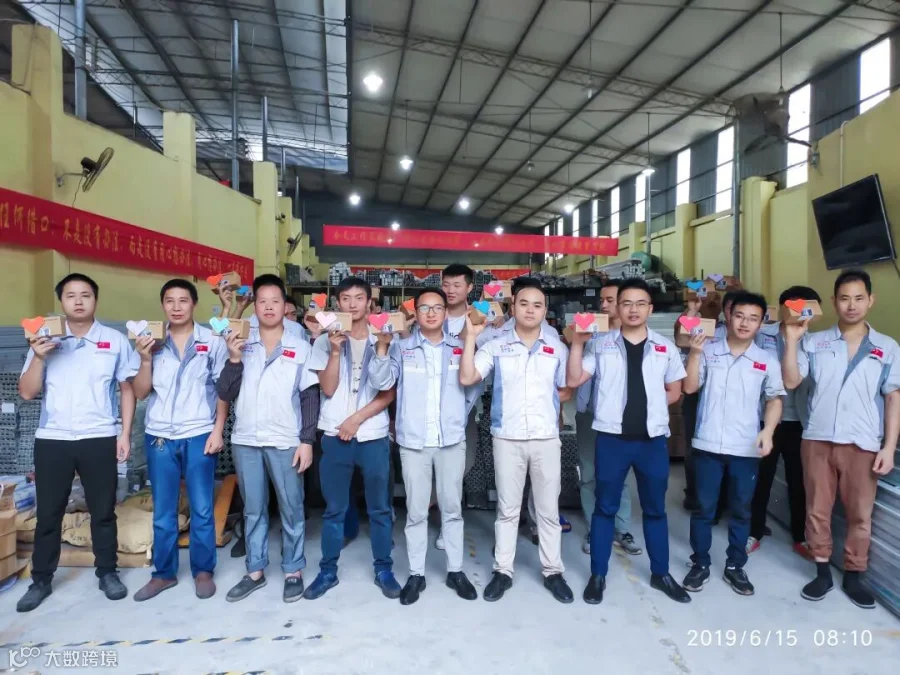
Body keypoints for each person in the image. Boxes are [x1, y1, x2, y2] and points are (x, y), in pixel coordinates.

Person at [16, 273, 138, 613]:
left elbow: (127, 388)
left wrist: (124, 434)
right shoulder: (44, 339)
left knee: (103, 511)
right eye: (71, 295)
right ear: (62, 302)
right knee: (49, 514)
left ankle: (108, 573)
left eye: (86, 294)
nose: (79, 301)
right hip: (53, 439)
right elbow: (26, 392)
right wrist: (38, 356)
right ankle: (41, 580)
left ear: (95, 300)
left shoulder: (114, 341)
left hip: (99, 436)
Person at [567, 278, 690, 605]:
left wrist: (650, 408)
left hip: (651, 442)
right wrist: (577, 344)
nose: (633, 309)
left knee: (655, 509)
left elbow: (675, 390)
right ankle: (598, 575)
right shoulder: (601, 345)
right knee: (605, 508)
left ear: (650, 308)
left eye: (640, 303)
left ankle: (661, 573)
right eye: (627, 303)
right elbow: (574, 379)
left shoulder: (665, 347)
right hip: (612, 440)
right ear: (617, 308)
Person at [783, 270, 898, 609]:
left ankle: (853, 575)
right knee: (817, 510)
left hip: (863, 444)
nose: (851, 305)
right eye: (844, 298)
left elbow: (893, 398)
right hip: (818, 439)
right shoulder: (814, 342)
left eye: (859, 298)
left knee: (860, 514)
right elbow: (791, 381)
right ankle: (822, 572)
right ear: (834, 302)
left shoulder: (887, 347)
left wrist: (889, 447)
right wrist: (792, 340)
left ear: (870, 300)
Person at [459, 282, 575, 604]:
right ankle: (503, 571)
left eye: (537, 305)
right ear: (513, 308)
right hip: (507, 438)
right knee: (507, 510)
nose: (530, 310)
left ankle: (553, 571)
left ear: (544, 310)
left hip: (545, 438)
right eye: (524, 304)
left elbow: (565, 389)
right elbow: (467, 378)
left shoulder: (557, 348)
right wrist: (470, 337)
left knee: (548, 510)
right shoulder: (496, 346)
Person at [370, 288, 480, 605]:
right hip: (414, 442)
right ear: (414, 313)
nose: (431, 313)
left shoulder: (459, 347)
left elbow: (472, 387)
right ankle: (416, 574)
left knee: (452, 509)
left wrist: (457, 417)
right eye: (424, 308)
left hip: (450, 441)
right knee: (416, 511)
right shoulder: (401, 347)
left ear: (446, 312)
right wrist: (382, 346)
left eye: (437, 307)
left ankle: (455, 570)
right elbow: (381, 383)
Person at [215, 274, 320, 603]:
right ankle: (255, 571)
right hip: (246, 439)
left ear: (285, 305)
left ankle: (293, 570)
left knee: (292, 507)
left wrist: (307, 441)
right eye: (262, 301)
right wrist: (234, 359)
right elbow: (225, 392)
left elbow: (309, 396)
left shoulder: (300, 347)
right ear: (254, 306)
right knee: (254, 509)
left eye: (276, 301)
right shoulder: (240, 342)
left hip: (286, 439)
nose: (269, 307)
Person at [131, 279, 229, 602]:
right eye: (169, 301)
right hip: (160, 435)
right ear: (162, 305)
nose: (176, 307)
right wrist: (145, 359)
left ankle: (203, 571)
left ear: (194, 304)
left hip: (199, 432)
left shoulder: (211, 341)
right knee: (163, 510)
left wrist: (218, 430)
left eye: (183, 300)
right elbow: (141, 392)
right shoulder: (151, 341)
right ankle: (164, 573)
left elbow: (223, 390)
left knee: (202, 507)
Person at [681, 291, 784, 596]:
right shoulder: (708, 350)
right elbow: (690, 387)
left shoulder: (766, 360)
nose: (745, 323)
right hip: (708, 444)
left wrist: (768, 431)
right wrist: (695, 353)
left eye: (753, 318)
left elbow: (774, 399)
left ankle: (735, 565)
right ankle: (700, 563)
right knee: (704, 509)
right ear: (728, 316)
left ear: (761, 323)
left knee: (741, 510)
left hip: (745, 448)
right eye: (739, 316)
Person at [304, 277, 400, 600]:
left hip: (372, 436)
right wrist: (334, 351)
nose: (353, 304)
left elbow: (387, 392)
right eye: (346, 298)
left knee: (380, 509)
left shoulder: (384, 337)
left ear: (370, 302)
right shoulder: (324, 341)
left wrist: (356, 420)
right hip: (335, 435)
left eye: (359, 298)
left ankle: (384, 569)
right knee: (334, 509)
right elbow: (328, 388)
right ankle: (327, 572)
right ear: (337, 303)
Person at [747, 286, 820, 560]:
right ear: (781, 308)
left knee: (798, 480)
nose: (798, 312)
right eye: (793, 306)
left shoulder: (811, 343)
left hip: (797, 420)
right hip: (763, 419)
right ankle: (753, 531)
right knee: (760, 478)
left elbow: (795, 381)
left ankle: (800, 537)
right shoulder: (761, 334)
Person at [575, 279, 642, 557]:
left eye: (610, 300)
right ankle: (595, 528)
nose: (604, 305)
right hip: (590, 414)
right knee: (589, 474)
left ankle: (621, 528)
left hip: (621, 418)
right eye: (601, 300)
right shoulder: (591, 332)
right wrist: (577, 339)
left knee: (619, 475)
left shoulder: (637, 337)